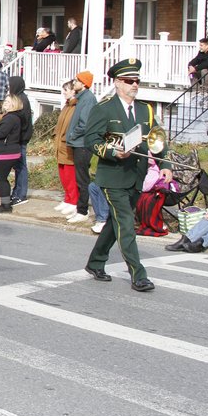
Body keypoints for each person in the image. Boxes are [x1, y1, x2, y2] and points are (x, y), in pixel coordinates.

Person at [84, 58, 171, 292]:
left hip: (136, 176)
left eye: (137, 81)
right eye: (129, 81)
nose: (134, 84)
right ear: (117, 83)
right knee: (126, 223)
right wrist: (113, 152)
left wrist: (166, 165)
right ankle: (138, 275)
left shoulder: (146, 109)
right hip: (112, 177)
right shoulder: (104, 108)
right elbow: (91, 140)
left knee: (115, 223)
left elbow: (157, 139)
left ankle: (95, 262)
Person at [66, 70, 97, 224]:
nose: (74, 83)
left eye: (77, 80)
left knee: (82, 179)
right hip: (78, 143)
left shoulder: (88, 99)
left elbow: (84, 124)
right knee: (79, 177)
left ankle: (82, 210)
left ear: (84, 84)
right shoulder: (82, 98)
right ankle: (79, 208)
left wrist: (72, 135)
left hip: (83, 144)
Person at [0, 94, 24, 213]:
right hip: (11, 151)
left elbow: (1, 133)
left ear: (14, 105)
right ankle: (6, 203)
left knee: (1, 179)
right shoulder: (11, 117)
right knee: (2, 178)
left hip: (6, 152)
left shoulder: (10, 118)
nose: (5, 103)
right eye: (5, 101)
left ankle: (5, 205)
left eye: (8, 102)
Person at [52, 79, 78, 218]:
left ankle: (73, 201)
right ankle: (67, 198)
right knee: (63, 173)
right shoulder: (66, 106)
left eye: (66, 90)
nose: (63, 93)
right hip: (60, 144)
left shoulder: (75, 106)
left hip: (67, 145)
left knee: (70, 174)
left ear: (73, 91)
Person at [8, 75, 32, 206]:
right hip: (19, 138)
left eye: (10, 85)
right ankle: (17, 192)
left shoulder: (22, 100)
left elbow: (22, 122)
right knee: (18, 166)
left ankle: (21, 195)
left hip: (21, 139)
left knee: (21, 166)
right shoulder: (19, 97)